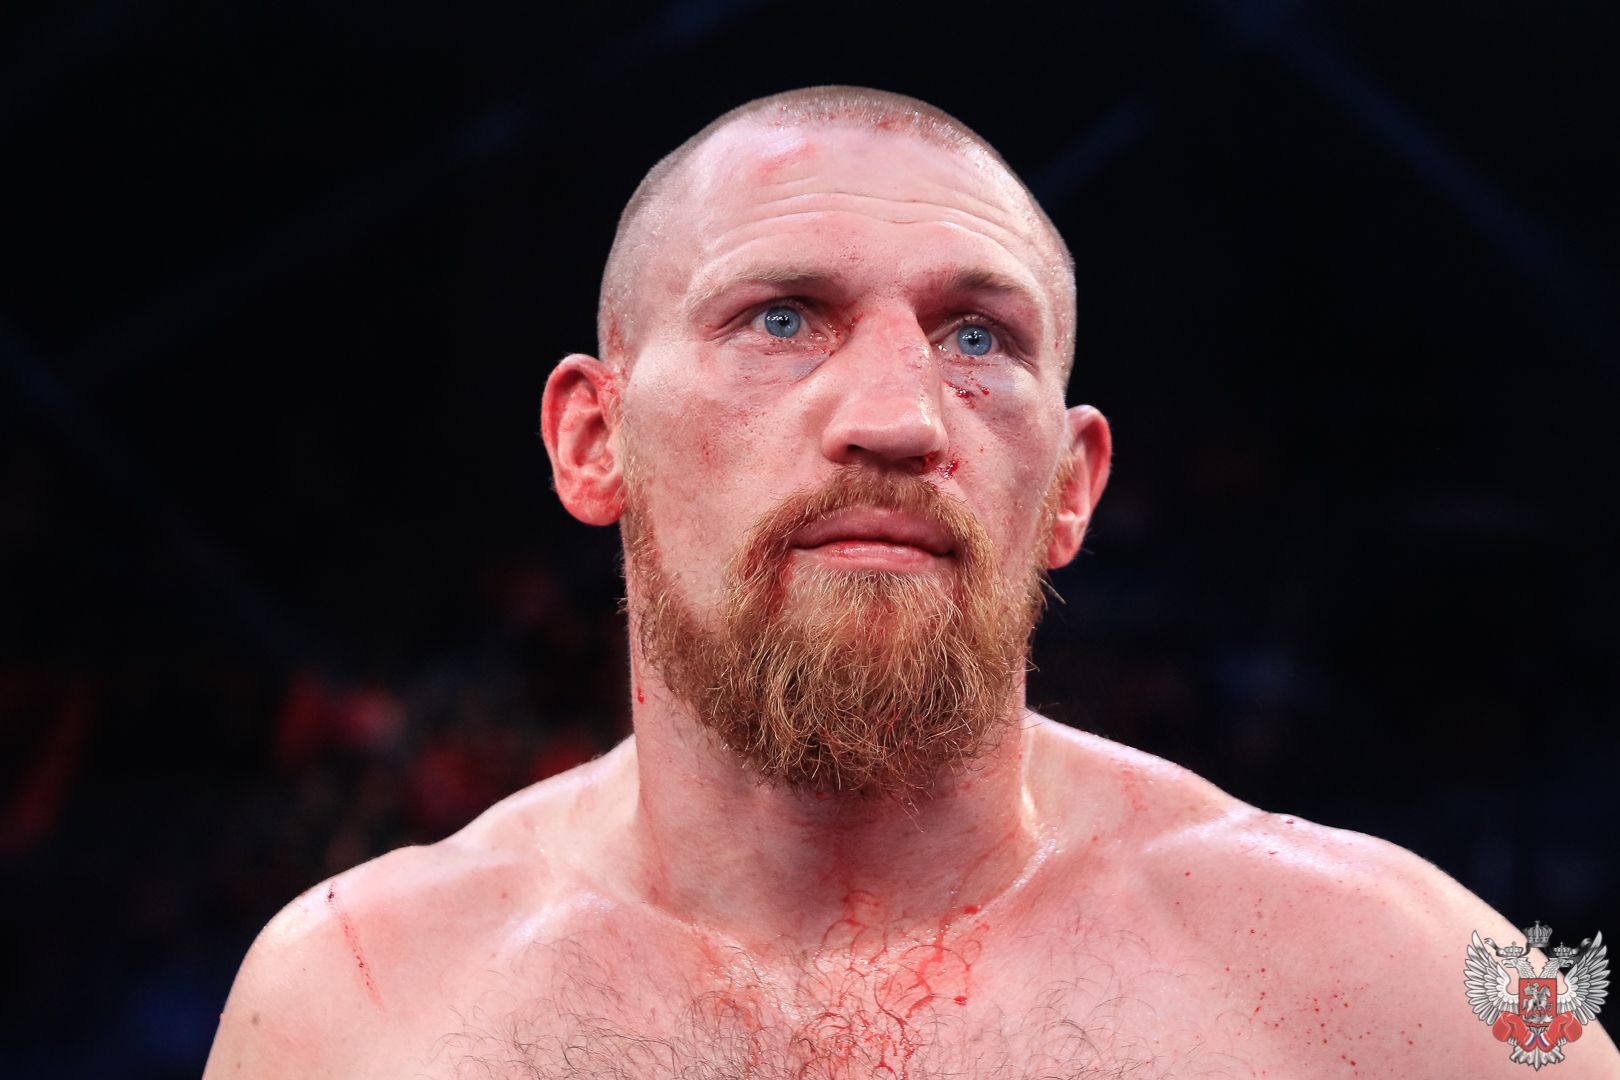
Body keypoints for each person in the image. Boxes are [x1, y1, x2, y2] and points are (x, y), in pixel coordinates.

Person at [204, 87, 1617, 1079]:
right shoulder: (349, 1002)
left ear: (1072, 487)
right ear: (592, 439)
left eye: (978, 337)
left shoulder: (1394, 974)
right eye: (781, 318)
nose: (897, 417)